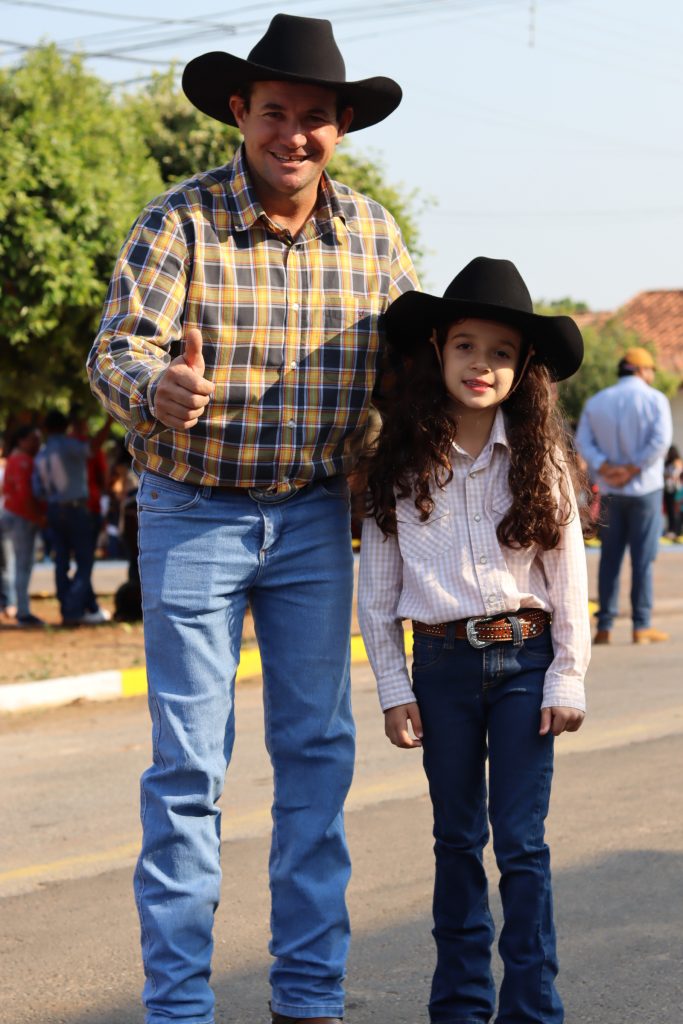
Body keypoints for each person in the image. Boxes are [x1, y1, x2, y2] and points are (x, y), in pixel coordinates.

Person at [87, 13, 418, 1024]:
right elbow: (116, 348)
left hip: (316, 518)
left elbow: (409, 374)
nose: (293, 135)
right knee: (189, 766)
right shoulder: (177, 223)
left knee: (317, 755)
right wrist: (156, 391)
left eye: (314, 118)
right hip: (192, 513)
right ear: (240, 113)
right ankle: (179, 1007)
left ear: (341, 126)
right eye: (274, 112)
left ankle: (308, 997)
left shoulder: (371, 236)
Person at [358, 257, 590, 1024]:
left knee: (520, 844)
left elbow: (567, 580)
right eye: (466, 346)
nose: (481, 365)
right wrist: (393, 687)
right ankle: (458, 1006)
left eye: (499, 352)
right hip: (442, 670)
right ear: (436, 349)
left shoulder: (539, 458)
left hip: (526, 663)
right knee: (455, 839)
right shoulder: (398, 461)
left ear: (523, 366)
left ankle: (532, 1007)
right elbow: (377, 592)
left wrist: (567, 676)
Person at [576, 346, 673, 644]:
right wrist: (632, 469)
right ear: (641, 370)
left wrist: (606, 467)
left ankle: (604, 627)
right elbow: (661, 441)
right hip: (645, 490)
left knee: (609, 558)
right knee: (642, 560)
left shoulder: (597, 401)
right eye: (651, 370)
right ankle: (641, 626)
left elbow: (582, 441)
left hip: (608, 491)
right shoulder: (655, 399)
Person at [32, 410, 110, 626]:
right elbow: (93, 449)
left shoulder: (42, 454)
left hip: (54, 510)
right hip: (76, 509)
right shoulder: (69, 446)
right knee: (85, 561)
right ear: (65, 427)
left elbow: (37, 490)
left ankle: (67, 606)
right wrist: (108, 423)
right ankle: (73, 609)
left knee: (61, 560)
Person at [2, 425, 46, 626]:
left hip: (13, 514)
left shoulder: (14, 458)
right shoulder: (22, 461)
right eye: (32, 439)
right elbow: (25, 495)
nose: (37, 443)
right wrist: (38, 517)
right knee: (22, 565)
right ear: (21, 441)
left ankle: (16, 607)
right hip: (21, 517)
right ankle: (23, 611)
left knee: (13, 564)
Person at [663, 444, 682, 539]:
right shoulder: (667, 463)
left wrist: (667, 476)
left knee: (675, 510)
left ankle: (676, 530)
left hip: (675, 490)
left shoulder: (677, 462)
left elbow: (675, 475)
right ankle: (671, 529)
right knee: (669, 511)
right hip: (667, 489)